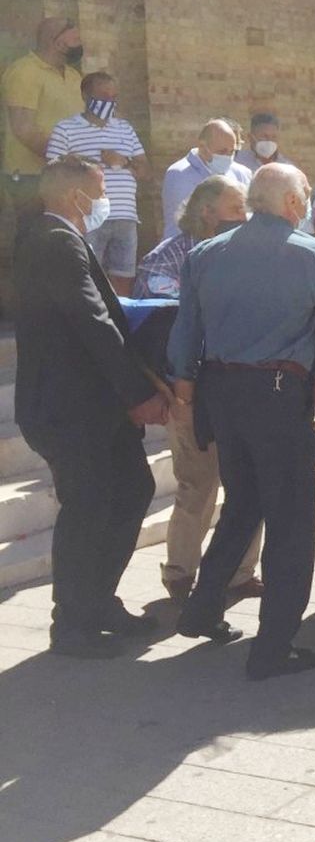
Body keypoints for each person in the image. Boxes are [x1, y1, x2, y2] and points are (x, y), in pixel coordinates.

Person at [169, 163, 315, 680]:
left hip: (222, 394)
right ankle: (274, 647)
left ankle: (201, 611)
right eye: (307, 194)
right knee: (291, 518)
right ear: (293, 203)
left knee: (243, 504)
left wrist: (184, 388)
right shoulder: (313, 254)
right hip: (276, 394)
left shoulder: (205, 254)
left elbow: (186, 330)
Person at [13, 156, 168, 657]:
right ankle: (72, 624)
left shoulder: (55, 237)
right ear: (70, 194)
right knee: (88, 507)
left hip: (87, 405)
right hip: (72, 408)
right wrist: (138, 393)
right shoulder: (55, 240)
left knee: (130, 489)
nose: (104, 202)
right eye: (99, 191)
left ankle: (96, 601)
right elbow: (93, 322)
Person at [134, 176, 265, 603]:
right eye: (235, 209)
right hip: (187, 393)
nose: (243, 218)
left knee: (249, 483)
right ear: (207, 211)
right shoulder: (166, 259)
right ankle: (180, 574)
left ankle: (241, 573)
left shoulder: (247, 255)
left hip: (241, 389)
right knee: (198, 486)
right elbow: (165, 327)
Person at [44, 72, 150, 294]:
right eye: (103, 95)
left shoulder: (125, 129)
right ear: (85, 94)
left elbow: (145, 170)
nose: (109, 101)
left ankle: (121, 322)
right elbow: (53, 173)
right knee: (89, 276)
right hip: (88, 217)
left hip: (125, 216)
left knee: (124, 277)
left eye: (114, 96)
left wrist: (124, 161)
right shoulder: (66, 129)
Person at [3, 18, 85, 207]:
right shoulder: (25, 71)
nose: (80, 44)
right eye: (76, 39)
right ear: (57, 42)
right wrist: (63, 159)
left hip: (67, 174)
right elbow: (24, 128)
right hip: (32, 177)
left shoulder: (73, 76)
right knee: (37, 233)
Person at [160, 118, 252, 240]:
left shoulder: (241, 173)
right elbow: (188, 222)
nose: (228, 157)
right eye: (222, 151)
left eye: (232, 152)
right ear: (203, 147)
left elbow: (250, 212)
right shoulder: (180, 175)